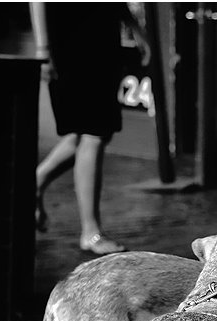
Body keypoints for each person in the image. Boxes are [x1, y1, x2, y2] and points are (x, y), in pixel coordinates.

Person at [29, 2, 147, 254]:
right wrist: (42, 48)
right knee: (93, 132)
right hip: (69, 40)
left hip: (103, 39)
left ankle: (35, 182)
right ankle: (91, 232)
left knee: (91, 131)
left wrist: (135, 28)